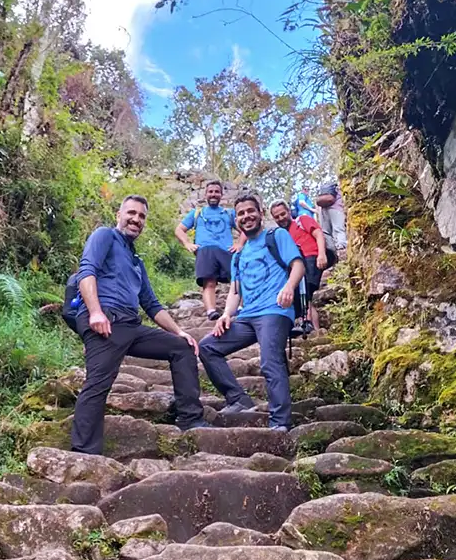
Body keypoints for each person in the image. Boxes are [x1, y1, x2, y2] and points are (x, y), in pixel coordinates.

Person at [71, 195, 208, 454]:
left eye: (142, 216)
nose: (136, 219)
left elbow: (152, 305)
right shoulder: (104, 236)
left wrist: (180, 332)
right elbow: (87, 271)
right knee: (98, 384)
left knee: (181, 348)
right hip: (106, 320)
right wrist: (95, 312)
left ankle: (190, 419)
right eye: (131, 213)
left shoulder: (136, 260)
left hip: (131, 325)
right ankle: (84, 452)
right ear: (119, 215)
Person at [199, 194, 305, 432]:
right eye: (241, 213)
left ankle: (280, 422)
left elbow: (297, 264)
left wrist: (289, 287)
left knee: (269, 361)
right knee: (207, 347)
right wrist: (226, 314)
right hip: (247, 316)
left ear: (260, 213)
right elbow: (235, 291)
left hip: (275, 311)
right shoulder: (238, 255)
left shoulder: (276, 236)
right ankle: (238, 399)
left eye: (250, 211)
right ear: (236, 220)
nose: (246, 216)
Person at [175, 180, 242, 321]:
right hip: (205, 251)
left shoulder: (229, 213)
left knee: (236, 279)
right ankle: (211, 311)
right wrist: (187, 244)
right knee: (208, 282)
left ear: (221, 195)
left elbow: (244, 230)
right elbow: (179, 229)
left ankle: (239, 308)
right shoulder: (197, 213)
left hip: (226, 250)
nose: (213, 194)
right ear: (205, 194)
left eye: (217, 192)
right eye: (210, 191)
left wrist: (239, 244)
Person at [269, 199, 336, 333]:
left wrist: (321, 254)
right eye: (277, 217)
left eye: (283, 214)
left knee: (305, 291)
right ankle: (314, 328)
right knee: (304, 295)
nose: (281, 218)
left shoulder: (302, 220)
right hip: (296, 265)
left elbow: (318, 233)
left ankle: (308, 322)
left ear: (289, 211)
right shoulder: (282, 235)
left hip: (311, 258)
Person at [316, 180, 347, 252]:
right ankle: (341, 247)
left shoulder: (323, 193)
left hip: (323, 210)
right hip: (336, 208)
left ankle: (331, 251)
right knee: (338, 229)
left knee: (326, 232)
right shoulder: (339, 189)